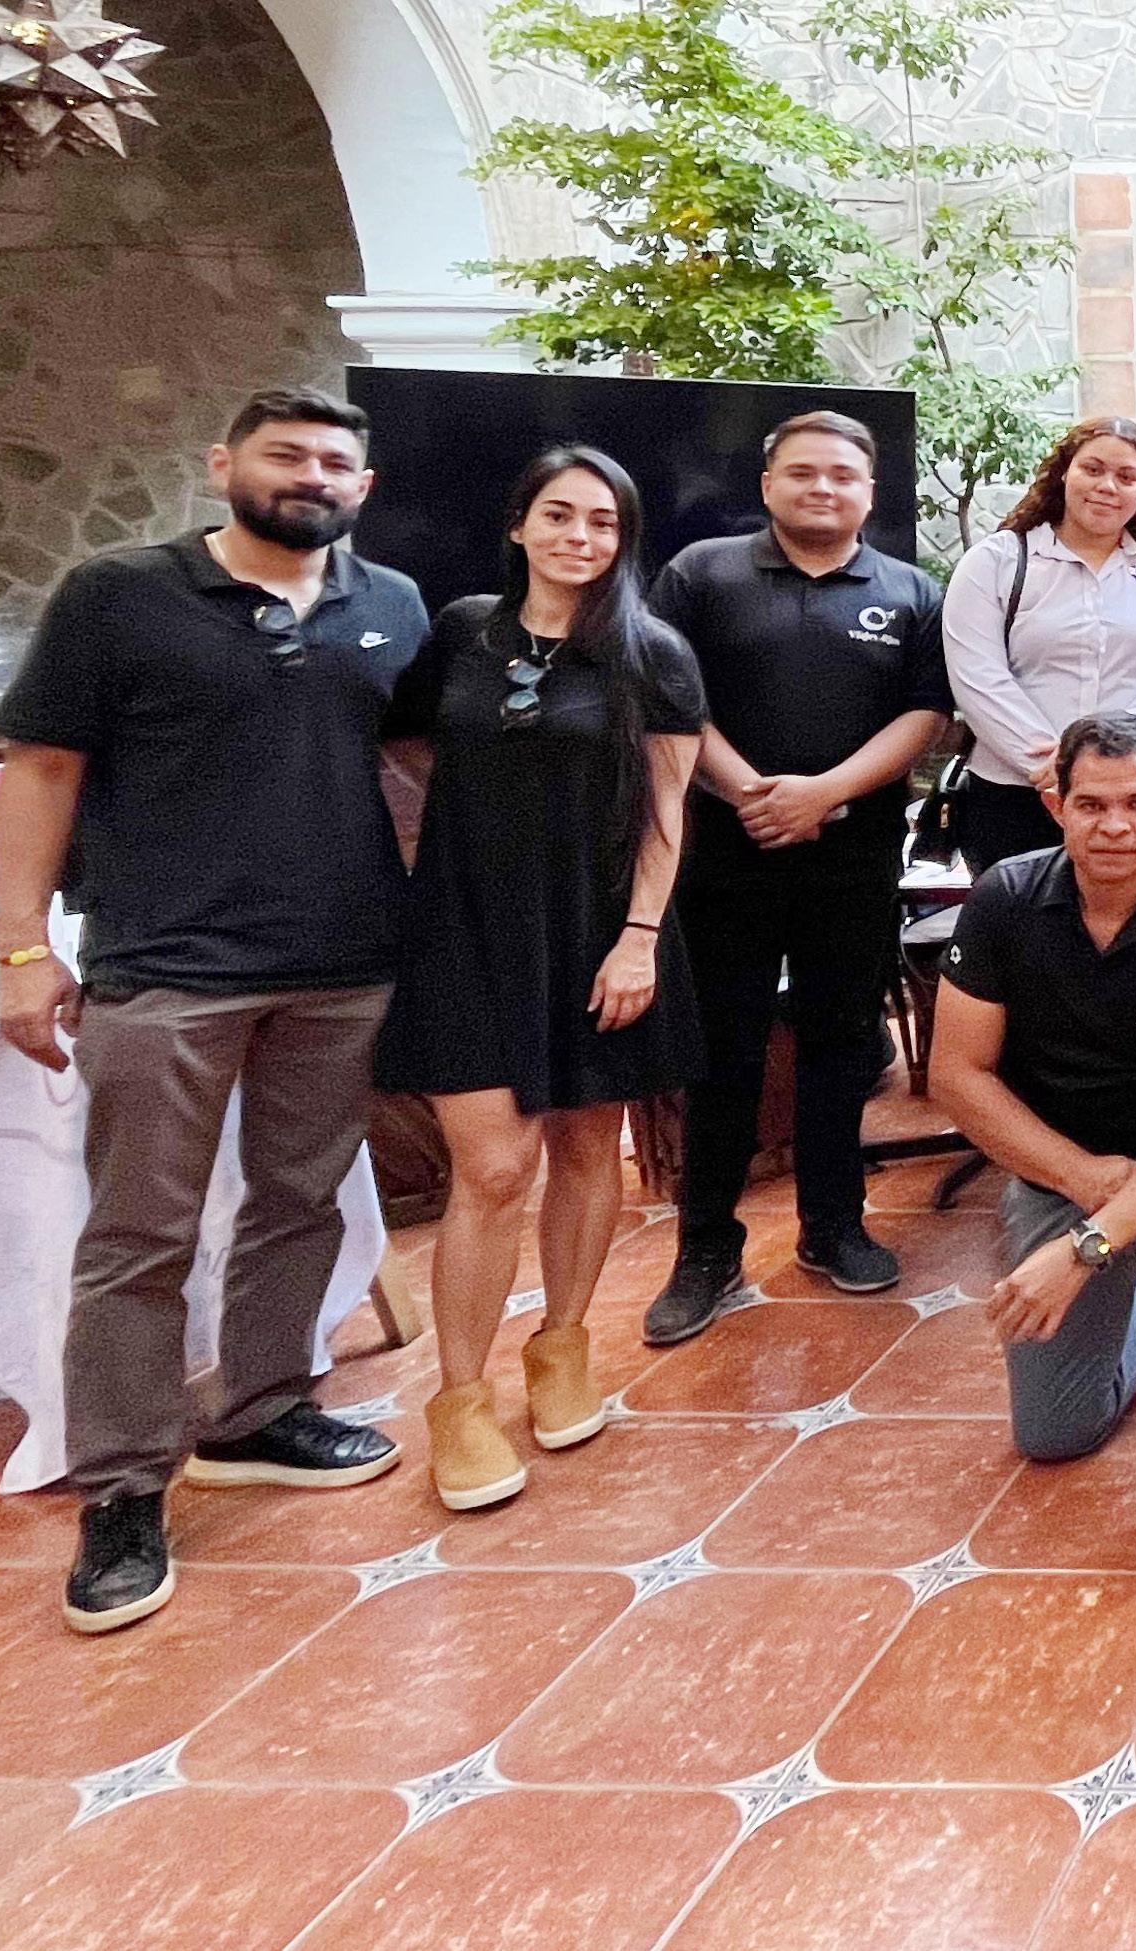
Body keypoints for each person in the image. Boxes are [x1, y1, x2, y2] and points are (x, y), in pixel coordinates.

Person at [0, 385, 427, 1633]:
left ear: (362, 488)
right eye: (286, 455)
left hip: (343, 963)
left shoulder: (391, 605)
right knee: (139, 1233)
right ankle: (124, 1489)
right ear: (224, 463)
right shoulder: (117, 596)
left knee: (301, 1200)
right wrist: (20, 947)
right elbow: (42, 768)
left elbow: (409, 769)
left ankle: (261, 1411)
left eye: (334, 462)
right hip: (164, 969)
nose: (311, 476)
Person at [377, 447, 707, 1511]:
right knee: (491, 1166)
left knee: (586, 1146)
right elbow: (414, 744)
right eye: (559, 515)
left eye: (603, 521)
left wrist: (639, 937)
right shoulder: (460, 631)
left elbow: (666, 811)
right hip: (466, 926)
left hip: (600, 930)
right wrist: (484, 820)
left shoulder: (652, 652)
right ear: (519, 526)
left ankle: (562, 1346)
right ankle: (459, 1401)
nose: (581, 536)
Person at [926, 713, 1136, 1574]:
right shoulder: (1004, 900)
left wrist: (1087, 1247)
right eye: (1091, 804)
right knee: (1056, 1431)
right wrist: (1084, 1181)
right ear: (1056, 807)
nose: (1114, 825)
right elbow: (957, 1076)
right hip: (1063, 1162)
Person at [641, 411, 948, 1345]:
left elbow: (926, 715)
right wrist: (748, 792)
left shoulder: (909, 591)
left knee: (842, 1043)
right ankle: (705, 1247)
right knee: (723, 1051)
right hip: (724, 854)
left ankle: (834, 1223)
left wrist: (824, 793)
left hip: (853, 855)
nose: (823, 488)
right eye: (804, 472)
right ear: (768, 483)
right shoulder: (701, 575)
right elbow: (668, 701)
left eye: (842, 476)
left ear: (868, 493)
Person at [940, 416, 1136, 871]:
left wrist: (1106, 756)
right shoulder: (996, 561)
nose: (1108, 486)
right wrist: (1060, 765)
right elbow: (977, 677)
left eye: (1127, 477)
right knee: (1022, 918)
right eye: (1093, 469)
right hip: (1018, 796)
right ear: (1065, 472)